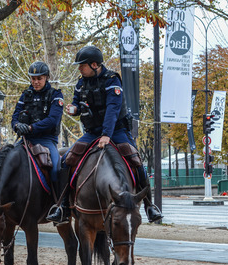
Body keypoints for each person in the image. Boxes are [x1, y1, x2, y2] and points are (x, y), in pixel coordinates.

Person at [46, 45, 162, 224]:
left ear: (94, 65)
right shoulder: (80, 82)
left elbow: (113, 110)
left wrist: (107, 134)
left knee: (136, 160)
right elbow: (77, 103)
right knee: (66, 160)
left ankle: (149, 206)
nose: (79, 68)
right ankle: (62, 206)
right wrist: (74, 108)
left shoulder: (112, 80)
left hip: (117, 131)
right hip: (92, 133)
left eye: (82, 65)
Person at [11, 61, 66, 223]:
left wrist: (30, 128)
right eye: (33, 78)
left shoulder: (56, 95)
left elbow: (53, 120)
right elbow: (14, 117)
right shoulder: (25, 94)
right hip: (25, 140)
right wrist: (17, 126)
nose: (35, 81)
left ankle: (59, 207)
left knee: (56, 168)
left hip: (46, 140)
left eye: (39, 78)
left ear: (47, 78)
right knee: (6, 162)